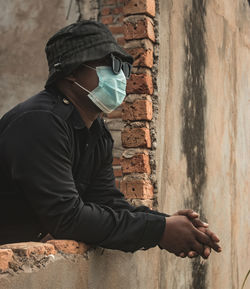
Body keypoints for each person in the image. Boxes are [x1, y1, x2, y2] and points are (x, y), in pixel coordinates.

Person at [0, 21, 221, 259]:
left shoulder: (96, 131)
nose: (121, 77)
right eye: (112, 65)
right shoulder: (40, 122)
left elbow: (107, 202)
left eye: (124, 68)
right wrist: (160, 231)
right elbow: (67, 218)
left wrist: (167, 224)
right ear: (72, 71)